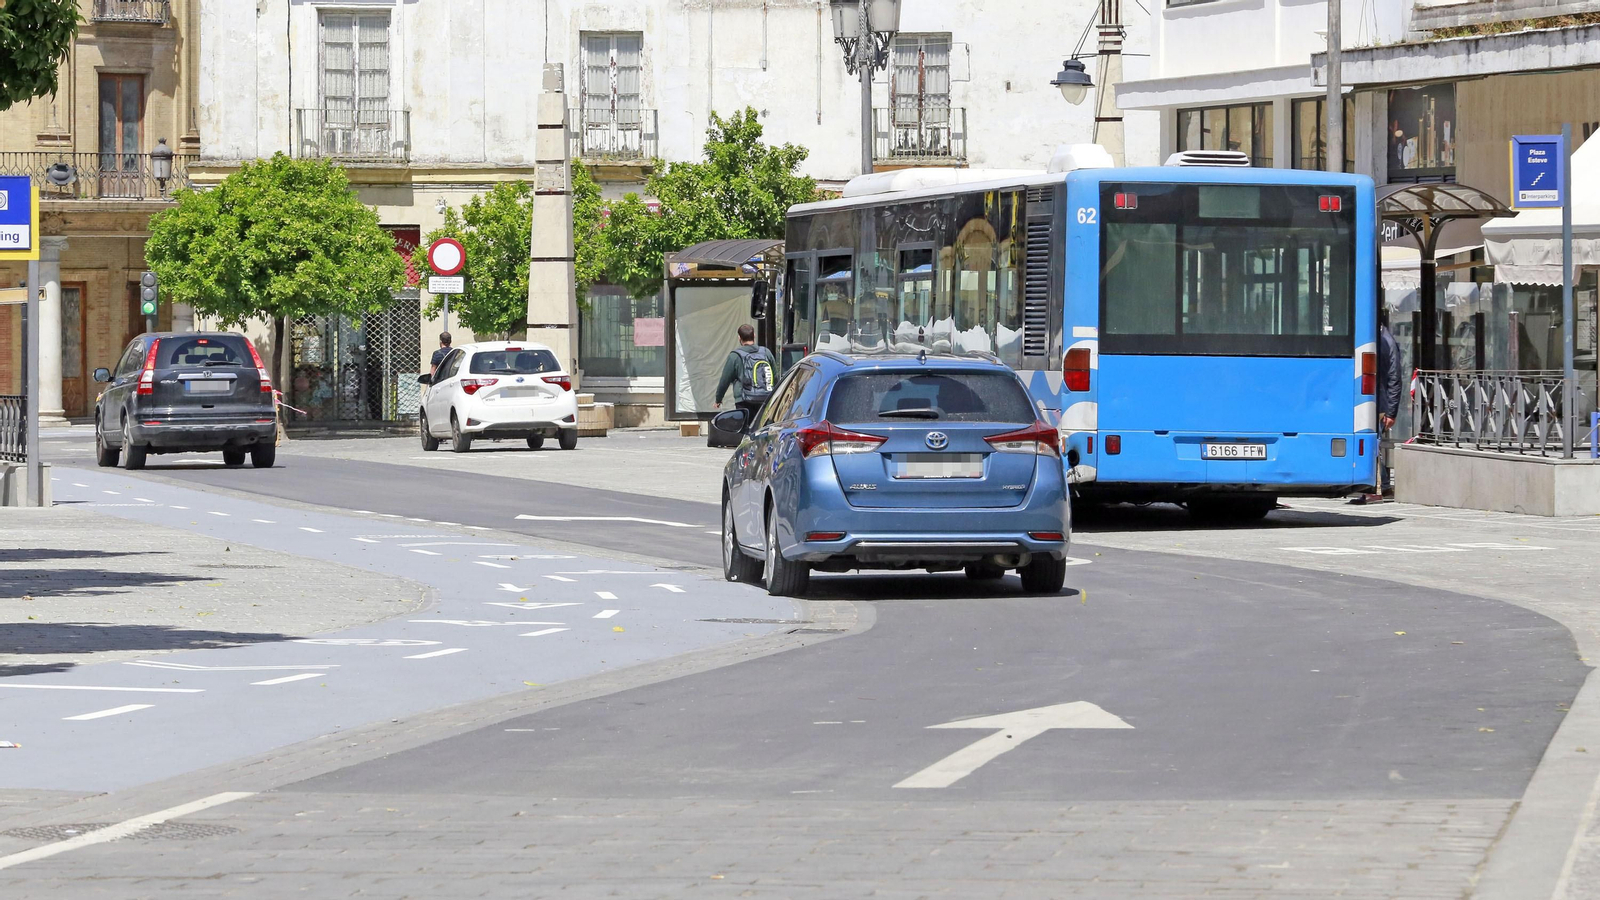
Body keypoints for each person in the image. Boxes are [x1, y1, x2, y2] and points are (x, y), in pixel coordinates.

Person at [714, 324, 777, 423]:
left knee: (745, 429)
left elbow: (725, 380)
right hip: (765, 398)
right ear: (754, 335)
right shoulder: (766, 352)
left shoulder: (735, 356)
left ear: (739, 337)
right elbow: (775, 376)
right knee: (762, 428)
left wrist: (718, 399)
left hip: (744, 400)